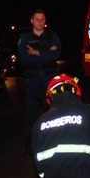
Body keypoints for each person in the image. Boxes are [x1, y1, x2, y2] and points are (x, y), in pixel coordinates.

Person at [17, 9, 61, 152]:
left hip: (49, 79)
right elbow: (24, 58)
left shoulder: (52, 35)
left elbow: (57, 53)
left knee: (53, 111)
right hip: (32, 80)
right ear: (32, 20)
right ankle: (29, 144)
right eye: (37, 19)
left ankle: (55, 141)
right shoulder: (25, 37)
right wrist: (47, 52)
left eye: (42, 19)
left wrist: (37, 52)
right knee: (31, 113)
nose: (40, 22)